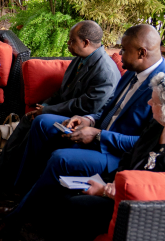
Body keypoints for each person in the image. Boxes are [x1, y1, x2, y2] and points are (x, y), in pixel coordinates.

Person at [0, 24, 165, 239]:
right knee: (43, 124)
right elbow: (110, 106)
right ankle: (22, 194)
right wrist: (88, 119)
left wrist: (99, 134)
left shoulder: (159, 88)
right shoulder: (133, 72)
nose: (118, 54)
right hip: (98, 134)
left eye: (124, 49)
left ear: (141, 53)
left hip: (115, 155)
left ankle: (18, 216)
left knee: (60, 158)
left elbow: (143, 143)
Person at [0, 21, 121, 187]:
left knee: (37, 124)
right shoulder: (81, 59)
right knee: (27, 120)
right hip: (66, 111)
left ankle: (9, 178)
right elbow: (62, 93)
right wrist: (42, 107)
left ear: (85, 42)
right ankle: (0, 169)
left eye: (72, 41)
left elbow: (86, 106)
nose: (68, 44)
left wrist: (47, 111)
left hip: (81, 120)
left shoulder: (105, 71)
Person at [57, 72, 165, 240]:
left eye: (155, 102)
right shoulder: (156, 125)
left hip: (135, 210)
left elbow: (151, 195)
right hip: (118, 187)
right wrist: (113, 182)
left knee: (76, 205)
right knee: (64, 189)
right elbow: (129, 156)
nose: (149, 102)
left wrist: (108, 192)